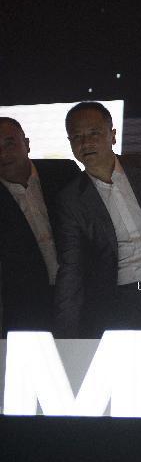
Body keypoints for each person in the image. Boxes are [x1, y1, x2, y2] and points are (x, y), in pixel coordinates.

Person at [54, 102, 141, 338]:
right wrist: (65, 334)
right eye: (76, 136)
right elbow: (71, 267)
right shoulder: (70, 199)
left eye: (94, 133)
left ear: (112, 135)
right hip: (117, 303)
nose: (85, 143)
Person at [0, 117, 80, 334]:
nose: (3, 154)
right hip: (25, 309)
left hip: (80, 295)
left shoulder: (64, 173)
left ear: (26, 144)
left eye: (9, 143)